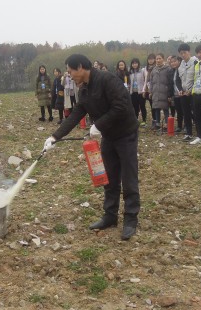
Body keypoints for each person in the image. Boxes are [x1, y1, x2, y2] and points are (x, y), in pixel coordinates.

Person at [43, 54, 140, 240]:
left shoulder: (107, 79)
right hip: (109, 137)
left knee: (129, 177)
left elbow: (121, 106)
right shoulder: (84, 90)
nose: (69, 75)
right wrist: (54, 137)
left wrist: (98, 125)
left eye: (70, 71)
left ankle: (130, 218)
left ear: (80, 67)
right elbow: (76, 113)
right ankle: (110, 215)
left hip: (126, 134)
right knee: (109, 177)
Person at [177, 44, 197, 141]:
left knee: (196, 112)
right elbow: (177, 80)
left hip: (194, 93)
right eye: (181, 53)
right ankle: (189, 133)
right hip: (184, 94)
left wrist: (191, 90)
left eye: (185, 52)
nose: (183, 55)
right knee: (186, 113)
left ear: (189, 52)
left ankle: (199, 132)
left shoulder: (196, 62)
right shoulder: (180, 65)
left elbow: (198, 78)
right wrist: (180, 89)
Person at [148, 53, 173, 130]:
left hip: (164, 92)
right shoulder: (154, 70)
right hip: (156, 92)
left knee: (165, 109)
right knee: (156, 108)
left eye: (160, 58)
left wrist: (169, 94)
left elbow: (170, 82)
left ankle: (166, 124)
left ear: (163, 59)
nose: (158, 60)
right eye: (157, 59)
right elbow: (151, 82)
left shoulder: (168, 69)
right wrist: (150, 91)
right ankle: (157, 123)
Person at [129, 58, 148, 123]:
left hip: (141, 92)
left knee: (142, 106)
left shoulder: (142, 71)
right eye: (133, 63)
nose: (134, 65)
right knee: (135, 107)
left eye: (136, 63)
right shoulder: (130, 72)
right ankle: (136, 119)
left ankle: (144, 120)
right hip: (133, 92)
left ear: (138, 64)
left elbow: (145, 80)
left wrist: (144, 90)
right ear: (131, 64)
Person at [169, 56, 184, 132]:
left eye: (175, 61)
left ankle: (187, 126)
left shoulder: (181, 70)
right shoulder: (172, 71)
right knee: (178, 111)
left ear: (179, 61)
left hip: (182, 93)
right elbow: (171, 84)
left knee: (184, 111)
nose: (173, 63)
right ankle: (179, 126)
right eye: (171, 62)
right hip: (175, 94)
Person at [143, 53, 156, 128]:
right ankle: (152, 120)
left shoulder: (155, 67)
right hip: (147, 89)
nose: (150, 61)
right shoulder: (146, 68)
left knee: (153, 106)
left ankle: (155, 120)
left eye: (152, 59)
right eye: (149, 59)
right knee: (149, 106)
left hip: (154, 90)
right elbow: (145, 80)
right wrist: (144, 90)